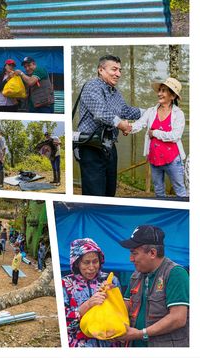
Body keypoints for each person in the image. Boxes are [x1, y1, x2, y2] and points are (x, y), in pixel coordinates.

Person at [75, 54, 142, 197]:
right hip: (91, 146)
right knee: (95, 194)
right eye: (114, 69)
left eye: (120, 70)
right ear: (101, 70)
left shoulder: (116, 93)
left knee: (109, 191)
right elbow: (100, 112)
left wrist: (150, 113)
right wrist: (120, 124)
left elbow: (126, 111)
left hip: (110, 147)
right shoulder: (92, 86)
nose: (118, 74)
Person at [118, 225, 189, 347]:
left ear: (152, 253)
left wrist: (141, 334)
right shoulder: (136, 275)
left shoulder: (175, 273)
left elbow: (178, 318)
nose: (131, 259)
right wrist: (109, 296)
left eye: (134, 253)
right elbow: (125, 306)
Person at [129, 78, 187, 198]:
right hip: (154, 159)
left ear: (172, 96)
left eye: (164, 91)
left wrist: (155, 133)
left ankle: (184, 216)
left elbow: (175, 136)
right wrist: (126, 127)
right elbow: (138, 125)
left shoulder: (178, 114)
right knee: (159, 191)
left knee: (180, 191)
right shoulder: (151, 111)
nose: (159, 93)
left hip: (173, 160)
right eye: (159, 90)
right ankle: (163, 214)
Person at [62, 238, 122, 347]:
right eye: (86, 262)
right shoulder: (65, 284)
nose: (91, 267)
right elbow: (64, 324)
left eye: (95, 261)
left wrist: (112, 295)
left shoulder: (110, 280)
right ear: (76, 263)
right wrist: (88, 305)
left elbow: (120, 313)